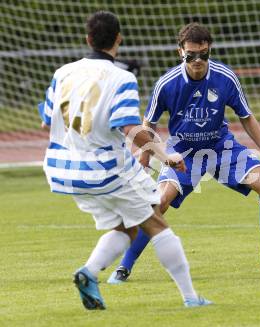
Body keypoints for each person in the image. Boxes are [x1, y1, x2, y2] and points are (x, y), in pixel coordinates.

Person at [40, 11, 211, 309]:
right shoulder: (121, 77)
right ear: (119, 38)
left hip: (61, 171)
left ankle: (89, 273)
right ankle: (191, 297)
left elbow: (46, 122)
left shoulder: (62, 73)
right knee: (157, 222)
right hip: (105, 170)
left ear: (88, 39)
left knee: (126, 227)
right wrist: (166, 155)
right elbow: (131, 129)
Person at [108, 22, 260, 284]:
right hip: (182, 152)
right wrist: (145, 156)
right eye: (191, 55)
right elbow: (147, 124)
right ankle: (124, 267)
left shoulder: (225, 78)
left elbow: (247, 117)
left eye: (203, 55)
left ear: (210, 51)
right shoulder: (167, 84)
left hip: (220, 147)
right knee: (158, 204)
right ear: (180, 52)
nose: (197, 61)